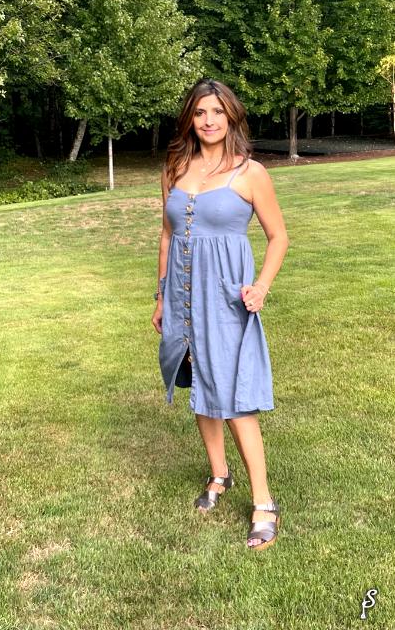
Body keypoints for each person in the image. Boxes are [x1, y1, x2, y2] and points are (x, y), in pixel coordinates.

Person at [151, 78, 289, 550]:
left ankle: (264, 501)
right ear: (189, 118)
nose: (208, 121)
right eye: (199, 112)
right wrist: (161, 296)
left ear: (231, 116)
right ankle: (219, 473)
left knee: (233, 397)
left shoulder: (250, 173)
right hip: (182, 297)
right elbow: (167, 235)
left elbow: (278, 237)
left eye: (216, 112)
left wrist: (261, 287)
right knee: (199, 383)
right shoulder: (175, 167)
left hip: (227, 299)